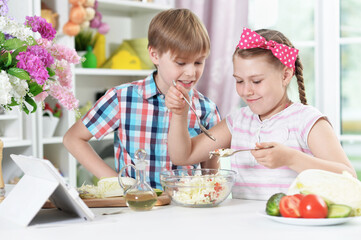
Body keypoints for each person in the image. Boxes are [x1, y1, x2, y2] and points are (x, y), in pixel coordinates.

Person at [165, 27, 356, 200]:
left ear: (285, 75)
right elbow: (184, 156)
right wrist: (180, 114)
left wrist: (291, 158)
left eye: (256, 81)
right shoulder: (237, 121)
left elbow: (349, 178)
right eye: (239, 81)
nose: (246, 91)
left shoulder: (307, 121)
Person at [63, 9, 221, 189]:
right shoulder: (122, 99)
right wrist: (117, 183)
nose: (192, 72)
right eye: (181, 63)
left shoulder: (206, 109)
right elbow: (73, 138)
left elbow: (210, 176)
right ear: (154, 55)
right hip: (135, 207)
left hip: (184, 210)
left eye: (199, 62)